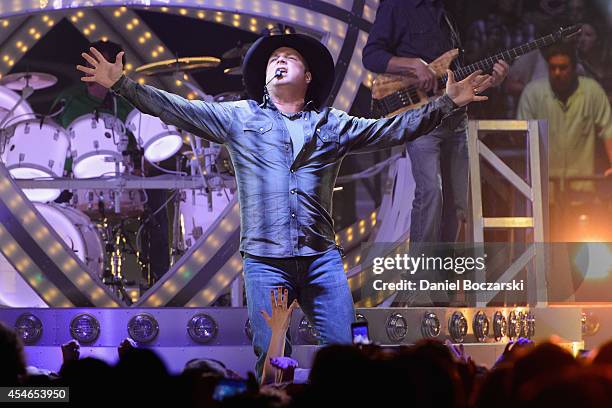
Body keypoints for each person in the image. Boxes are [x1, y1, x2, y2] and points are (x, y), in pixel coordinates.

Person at [77, 32, 493, 379]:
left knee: (345, 355)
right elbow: (176, 109)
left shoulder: (333, 124)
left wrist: (446, 103)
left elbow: (392, 129)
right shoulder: (239, 118)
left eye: (288, 57)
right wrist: (121, 85)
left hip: (321, 260)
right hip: (265, 258)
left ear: (308, 76)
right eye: (273, 58)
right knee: (273, 357)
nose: (278, 61)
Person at [362, 0, 509, 246]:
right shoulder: (398, 6)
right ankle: (422, 277)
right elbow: (372, 56)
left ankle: (443, 275)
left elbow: (458, 72)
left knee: (458, 203)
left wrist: (490, 80)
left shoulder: (449, 10)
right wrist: (413, 65)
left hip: (456, 117)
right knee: (431, 193)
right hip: (422, 117)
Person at [55, 40, 170, 286]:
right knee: (48, 205)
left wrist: (144, 166)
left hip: (124, 180)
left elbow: (150, 145)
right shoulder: (68, 101)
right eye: (90, 62)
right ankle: (62, 279)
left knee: (159, 195)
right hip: (76, 181)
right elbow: (53, 145)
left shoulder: (130, 101)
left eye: (102, 62)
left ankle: (160, 280)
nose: (94, 68)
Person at [517, 43, 612, 192]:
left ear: (574, 68)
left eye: (563, 68)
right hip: (544, 189)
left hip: (582, 186)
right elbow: (521, 136)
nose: (557, 72)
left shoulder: (592, 91)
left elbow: (608, 130)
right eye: (552, 67)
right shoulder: (532, 93)